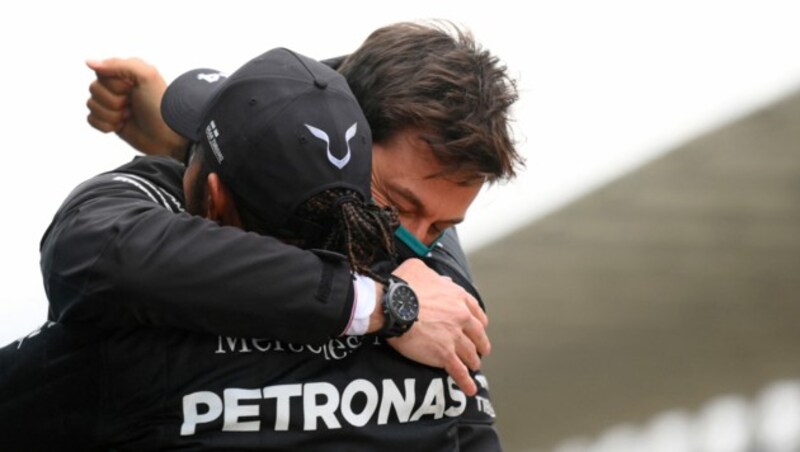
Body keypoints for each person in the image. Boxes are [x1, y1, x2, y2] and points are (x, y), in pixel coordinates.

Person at [0, 47, 499, 451]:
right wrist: (384, 306)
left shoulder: (140, 338)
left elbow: (96, 252)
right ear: (348, 141)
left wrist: (206, 145)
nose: (412, 241)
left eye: (441, 228)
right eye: (396, 204)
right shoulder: (434, 314)